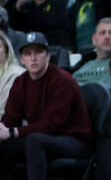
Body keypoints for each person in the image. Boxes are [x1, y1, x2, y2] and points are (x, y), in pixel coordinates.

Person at [0, 32, 92, 180]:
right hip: (43, 137)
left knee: (34, 140)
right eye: (28, 54)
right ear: (22, 59)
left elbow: (51, 125)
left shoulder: (63, 81)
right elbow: (10, 120)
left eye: (38, 52)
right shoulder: (20, 82)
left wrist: (13, 132)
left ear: (48, 56)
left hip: (74, 140)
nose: (33, 58)